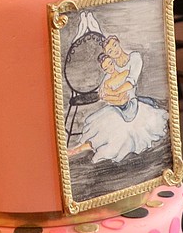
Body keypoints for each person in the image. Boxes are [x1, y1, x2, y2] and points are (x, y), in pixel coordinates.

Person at [67, 34, 168, 164]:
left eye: (114, 45)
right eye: (110, 51)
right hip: (117, 107)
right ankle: (79, 148)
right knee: (102, 124)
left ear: (118, 42)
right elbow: (105, 92)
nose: (114, 50)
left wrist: (113, 92)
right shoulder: (111, 68)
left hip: (132, 106)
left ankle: (88, 148)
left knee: (121, 134)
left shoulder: (134, 58)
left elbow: (130, 83)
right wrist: (109, 94)